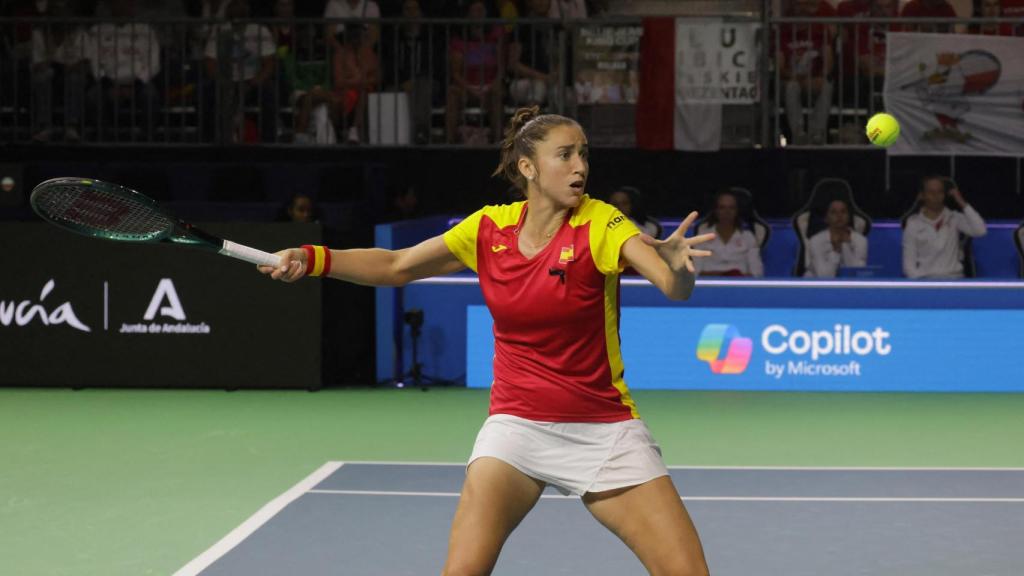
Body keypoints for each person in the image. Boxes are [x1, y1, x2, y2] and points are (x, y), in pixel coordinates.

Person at [258, 106, 714, 576]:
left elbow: (671, 285)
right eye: (565, 155)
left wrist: (678, 269)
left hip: (602, 429)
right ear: (528, 167)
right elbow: (397, 266)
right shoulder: (488, 229)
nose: (580, 166)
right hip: (516, 428)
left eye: (583, 154)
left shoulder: (601, 222)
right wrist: (312, 258)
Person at [203, 0, 278, 143]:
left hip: (253, 81)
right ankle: (209, 142)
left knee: (269, 94)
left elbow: (269, 63)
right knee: (207, 93)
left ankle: (269, 142)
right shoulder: (219, 29)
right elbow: (210, 62)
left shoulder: (260, 30)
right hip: (226, 80)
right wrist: (222, 81)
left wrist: (257, 80)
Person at [902, 176, 987, 279]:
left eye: (940, 192)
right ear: (922, 195)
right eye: (931, 192)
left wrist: (961, 201)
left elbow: (980, 230)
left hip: (955, 280)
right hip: (925, 281)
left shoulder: (954, 218)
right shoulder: (913, 223)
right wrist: (921, 287)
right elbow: (908, 265)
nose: (936, 196)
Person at [30, 0, 89, 142]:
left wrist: (69, 67)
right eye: (56, 11)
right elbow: (37, 63)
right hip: (49, 74)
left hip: (72, 73)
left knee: (74, 79)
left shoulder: (79, 34)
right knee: (42, 78)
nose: (60, 15)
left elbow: (85, 61)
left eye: (63, 11)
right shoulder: (39, 34)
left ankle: (71, 127)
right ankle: (45, 127)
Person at [446, 0, 504, 144]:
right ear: (468, 15)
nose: (478, 14)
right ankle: (449, 142)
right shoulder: (459, 40)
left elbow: (502, 67)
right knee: (452, 93)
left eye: (481, 11)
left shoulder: (496, 35)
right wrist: (472, 89)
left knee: (497, 93)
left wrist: (491, 86)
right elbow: (456, 73)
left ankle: (498, 142)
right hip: (467, 87)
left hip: (490, 86)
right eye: (475, 11)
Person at [778, 0, 835, 145]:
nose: (803, 9)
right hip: (791, 80)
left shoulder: (820, 32)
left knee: (827, 86)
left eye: (807, 5)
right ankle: (798, 134)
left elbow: (828, 62)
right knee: (792, 87)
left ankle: (817, 133)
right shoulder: (783, 32)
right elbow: (780, 67)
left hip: (814, 81)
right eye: (799, 4)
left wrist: (821, 76)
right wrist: (798, 78)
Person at [695, 189, 764, 277]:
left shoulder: (748, 237)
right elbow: (695, 272)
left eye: (731, 208)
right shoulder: (702, 236)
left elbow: (757, 273)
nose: (727, 212)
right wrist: (722, 275)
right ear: (716, 210)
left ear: (737, 211)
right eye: (722, 207)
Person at [805, 198, 868, 278]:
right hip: (817, 287)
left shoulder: (861, 241)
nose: (839, 215)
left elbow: (856, 274)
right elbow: (823, 277)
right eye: (833, 212)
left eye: (843, 211)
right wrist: (836, 250)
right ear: (826, 218)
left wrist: (845, 245)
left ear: (849, 216)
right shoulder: (816, 241)